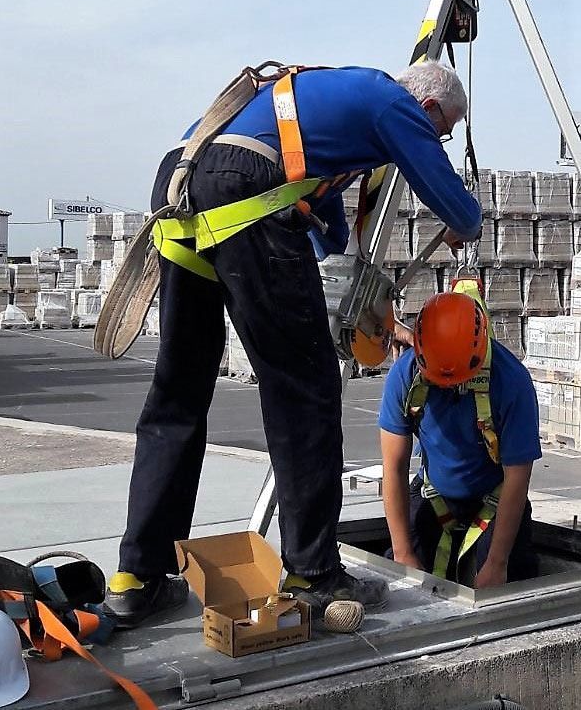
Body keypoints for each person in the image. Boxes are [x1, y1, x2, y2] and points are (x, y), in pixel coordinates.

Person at [105, 60, 483, 627]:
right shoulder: (393, 103)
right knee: (303, 388)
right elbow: (459, 207)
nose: (440, 138)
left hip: (183, 182)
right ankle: (313, 574)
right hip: (244, 189)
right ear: (427, 108)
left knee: (178, 393)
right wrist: (463, 220)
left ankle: (138, 576)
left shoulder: (321, 107)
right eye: (445, 130)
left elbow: (322, 215)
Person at [378, 288, 541, 587]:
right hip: (435, 492)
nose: (451, 387)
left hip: (494, 496)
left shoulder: (511, 381)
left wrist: (497, 563)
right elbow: (394, 466)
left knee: (510, 581)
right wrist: (402, 553)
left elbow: (517, 477)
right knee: (402, 576)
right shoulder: (406, 374)